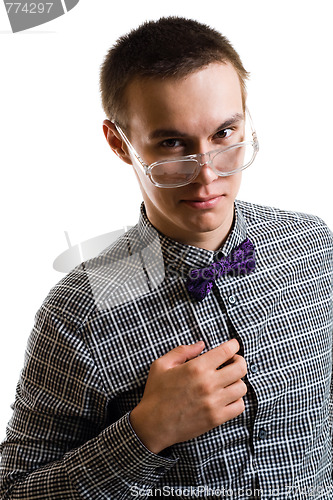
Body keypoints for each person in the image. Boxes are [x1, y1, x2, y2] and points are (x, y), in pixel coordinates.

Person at [0, 16, 332, 500]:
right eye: (173, 144)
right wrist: (146, 432)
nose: (206, 177)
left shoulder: (313, 245)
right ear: (119, 142)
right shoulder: (78, 314)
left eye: (223, 134)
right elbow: (13, 492)